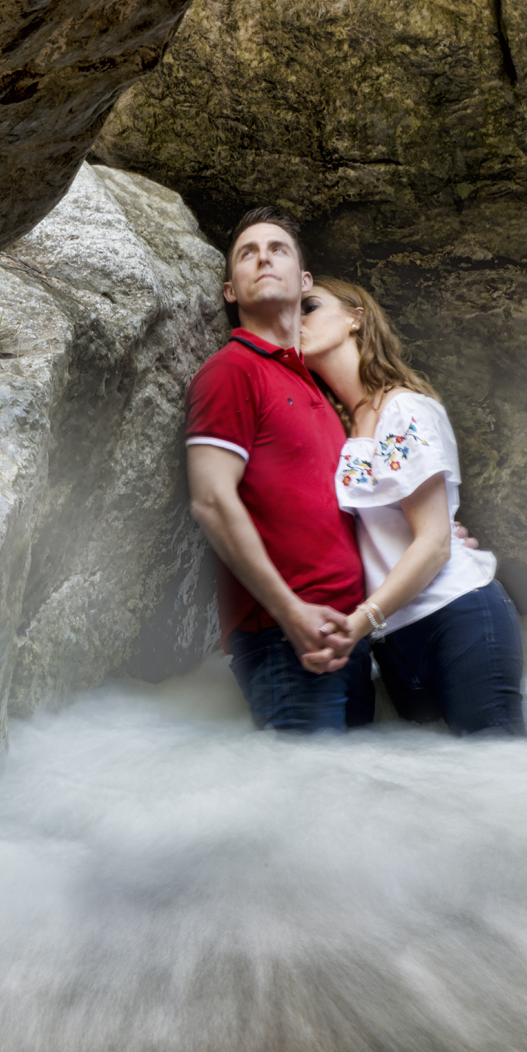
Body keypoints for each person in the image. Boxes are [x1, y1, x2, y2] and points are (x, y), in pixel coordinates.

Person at [298, 278, 527, 737]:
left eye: (309, 306)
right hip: (394, 641)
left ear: (354, 317)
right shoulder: (339, 427)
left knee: (501, 774)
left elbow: (436, 543)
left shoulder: (403, 411)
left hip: (455, 616)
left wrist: (357, 624)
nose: (295, 320)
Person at [185, 208, 374, 732]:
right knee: (310, 806)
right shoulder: (232, 370)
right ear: (230, 291)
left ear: (304, 280)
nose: (263, 257)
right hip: (284, 636)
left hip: (348, 632)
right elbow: (211, 500)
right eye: (248, 253)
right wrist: (291, 612)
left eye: (278, 249)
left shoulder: (317, 388)